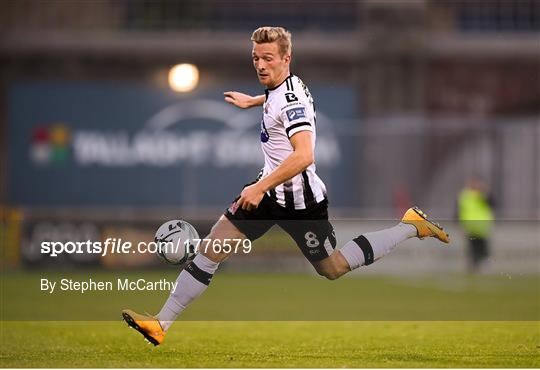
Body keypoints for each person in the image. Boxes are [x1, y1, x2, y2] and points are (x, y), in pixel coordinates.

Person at [122, 26, 449, 345]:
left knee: (332, 268)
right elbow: (277, 98)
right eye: (255, 58)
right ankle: (160, 323)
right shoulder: (282, 88)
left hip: (301, 203)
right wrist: (253, 102)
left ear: (286, 58)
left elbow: (304, 155)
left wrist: (261, 186)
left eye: (267, 58)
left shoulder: (290, 101)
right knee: (210, 250)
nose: (261, 65)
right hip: (266, 195)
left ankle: (409, 226)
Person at [457, 175, 494, 273]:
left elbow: (492, 203)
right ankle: (474, 266)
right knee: (472, 246)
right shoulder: (464, 195)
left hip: (482, 226)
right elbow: (459, 209)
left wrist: (485, 193)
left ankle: (485, 265)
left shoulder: (483, 194)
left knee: (482, 246)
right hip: (469, 226)